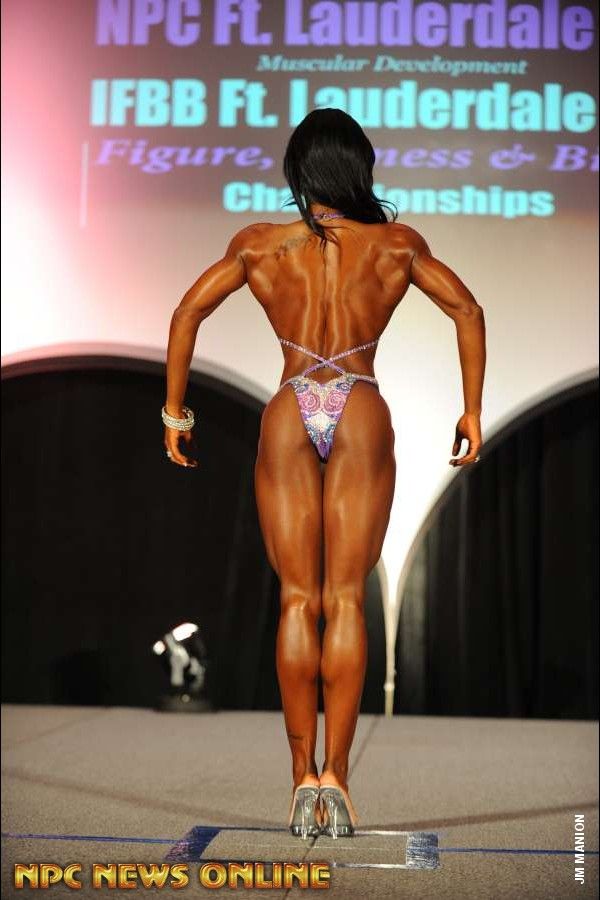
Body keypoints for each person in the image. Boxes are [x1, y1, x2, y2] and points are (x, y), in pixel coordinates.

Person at [162, 108, 486, 839]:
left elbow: (187, 312)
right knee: (344, 599)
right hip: (359, 398)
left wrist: (175, 414)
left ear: (299, 173)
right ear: (358, 169)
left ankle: (300, 780)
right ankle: (336, 778)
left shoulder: (260, 244)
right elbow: (467, 309)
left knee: (297, 599)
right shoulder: (396, 245)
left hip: (291, 400)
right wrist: (470, 410)